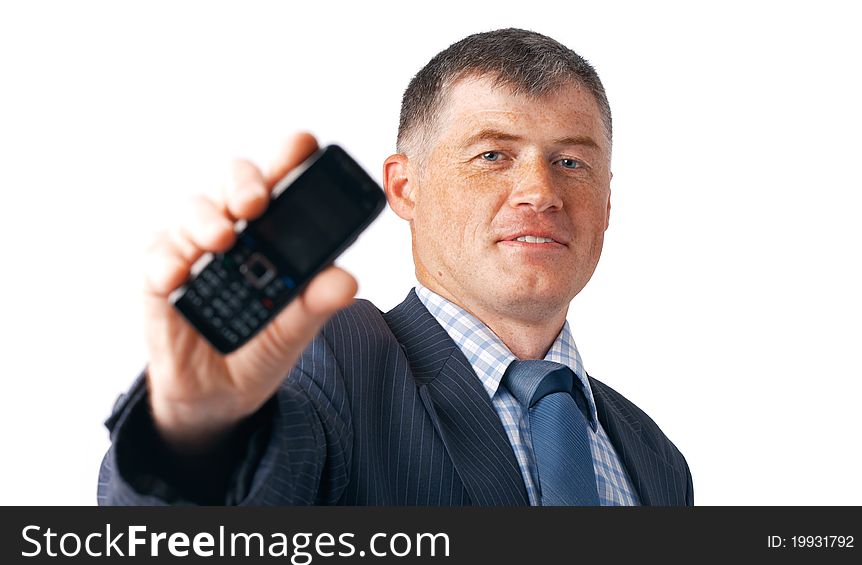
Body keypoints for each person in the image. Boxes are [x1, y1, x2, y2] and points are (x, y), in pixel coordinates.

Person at [98, 28, 692, 506]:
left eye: (569, 161)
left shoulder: (657, 461)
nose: (539, 191)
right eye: (492, 155)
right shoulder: (331, 361)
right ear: (405, 188)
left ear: (607, 206)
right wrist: (193, 438)